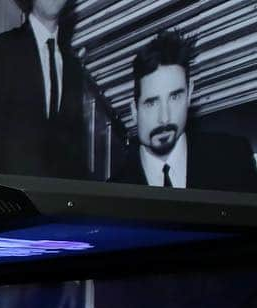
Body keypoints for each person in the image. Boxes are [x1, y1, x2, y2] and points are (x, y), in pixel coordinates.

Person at [110, 30, 257, 191]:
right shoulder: (113, 192)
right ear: (134, 111)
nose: (164, 118)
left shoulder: (234, 158)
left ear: (189, 95)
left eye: (175, 97)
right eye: (151, 103)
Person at [0, 0, 87, 179]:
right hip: (12, 193)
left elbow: (76, 151)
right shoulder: (8, 46)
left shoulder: (73, 67)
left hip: (55, 200)